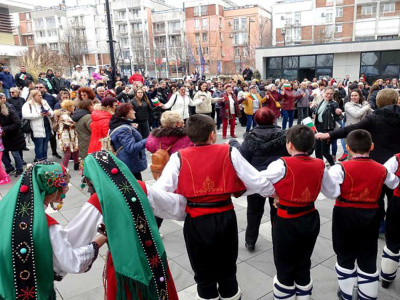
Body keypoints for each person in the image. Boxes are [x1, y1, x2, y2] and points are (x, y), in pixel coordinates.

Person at [154, 114, 275, 300]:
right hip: (225, 215)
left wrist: (176, 209)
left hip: (196, 218)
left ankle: (207, 295)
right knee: (227, 265)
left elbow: (160, 191)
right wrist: (272, 192)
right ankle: (230, 294)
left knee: (201, 266)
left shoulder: (179, 157)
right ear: (212, 134)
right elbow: (256, 180)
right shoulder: (229, 151)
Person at [64, 151, 183, 300]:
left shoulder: (98, 201)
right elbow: (173, 206)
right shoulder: (140, 186)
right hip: (154, 257)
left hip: (124, 264)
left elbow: (71, 239)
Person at [0, 162, 107, 300]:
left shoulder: (6, 212)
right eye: (64, 185)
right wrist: (101, 239)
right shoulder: (48, 227)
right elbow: (72, 262)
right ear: (52, 189)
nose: (66, 189)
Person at [261, 125, 338, 299]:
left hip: (286, 219)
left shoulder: (281, 164)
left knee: (285, 264)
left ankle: (285, 294)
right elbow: (332, 192)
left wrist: (276, 194)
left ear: (289, 144)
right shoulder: (319, 164)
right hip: (310, 217)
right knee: (304, 261)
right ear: (311, 145)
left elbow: (260, 185)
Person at [328, 130, 399, 300]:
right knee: (367, 253)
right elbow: (394, 182)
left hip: (345, 213)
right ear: (372, 146)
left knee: (345, 254)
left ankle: (347, 293)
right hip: (371, 213)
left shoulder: (340, 168)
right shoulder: (381, 169)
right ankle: (367, 295)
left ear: (348, 148)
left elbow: (331, 191)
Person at [230, 107, 289, 250]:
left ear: (255, 121)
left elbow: (242, 158)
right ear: (274, 119)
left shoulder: (250, 139)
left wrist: (234, 144)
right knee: (277, 212)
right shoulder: (284, 137)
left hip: (256, 181)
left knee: (254, 212)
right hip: (278, 182)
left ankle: (250, 240)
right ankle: (277, 239)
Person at [109, 103, 147, 180]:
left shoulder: (117, 125)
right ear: (125, 112)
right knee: (137, 189)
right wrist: (149, 139)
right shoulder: (123, 129)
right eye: (132, 110)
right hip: (130, 165)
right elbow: (131, 148)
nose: (134, 112)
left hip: (127, 163)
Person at [381, 153, 400, 289]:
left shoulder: (398, 157)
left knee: (393, 239)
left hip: (398, 202)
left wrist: (395, 182)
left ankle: (387, 277)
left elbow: (384, 172)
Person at [313, 86, 342, 166]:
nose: (329, 95)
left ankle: (333, 165)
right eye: (327, 93)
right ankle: (320, 166)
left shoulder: (333, 103)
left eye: (331, 94)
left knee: (324, 151)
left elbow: (336, 108)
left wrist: (338, 111)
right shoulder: (322, 101)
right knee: (317, 150)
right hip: (318, 127)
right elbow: (318, 113)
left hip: (327, 129)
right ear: (323, 93)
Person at [22, 90, 54, 162]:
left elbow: (52, 112)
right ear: (33, 96)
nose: (40, 97)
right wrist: (40, 115)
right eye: (38, 95)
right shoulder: (28, 104)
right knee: (39, 145)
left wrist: (49, 113)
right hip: (35, 128)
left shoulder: (44, 102)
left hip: (47, 126)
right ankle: (39, 160)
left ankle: (45, 159)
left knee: (45, 145)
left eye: (41, 95)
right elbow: (25, 115)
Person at [0, 93, 26, 177]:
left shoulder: (9, 110)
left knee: (15, 153)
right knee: (3, 154)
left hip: (14, 136)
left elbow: (17, 123)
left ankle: (19, 169)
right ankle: (9, 168)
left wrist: (4, 129)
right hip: (3, 137)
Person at [35, 82, 60, 159]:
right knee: (39, 141)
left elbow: (55, 108)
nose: (38, 89)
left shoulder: (51, 98)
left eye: (40, 87)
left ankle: (54, 151)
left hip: (49, 120)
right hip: (37, 122)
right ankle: (39, 156)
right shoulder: (32, 99)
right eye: (37, 87)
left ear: (45, 88)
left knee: (52, 137)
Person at [53, 100, 80, 170]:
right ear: (69, 107)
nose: (74, 108)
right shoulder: (64, 115)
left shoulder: (66, 114)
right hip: (65, 136)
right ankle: (64, 168)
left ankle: (76, 163)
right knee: (67, 151)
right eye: (72, 106)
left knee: (75, 149)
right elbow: (72, 123)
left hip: (69, 134)